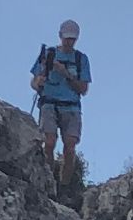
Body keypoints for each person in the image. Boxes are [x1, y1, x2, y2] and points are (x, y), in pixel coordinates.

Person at [31, 20, 92, 183]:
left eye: (72, 39)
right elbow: (34, 81)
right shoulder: (47, 54)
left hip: (71, 107)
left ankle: (64, 186)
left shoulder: (80, 59)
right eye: (67, 38)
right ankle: (48, 182)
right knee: (49, 143)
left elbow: (83, 89)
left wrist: (66, 73)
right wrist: (38, 82)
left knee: (70, 148)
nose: (69, 42)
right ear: (60, 36)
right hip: (49, 103)